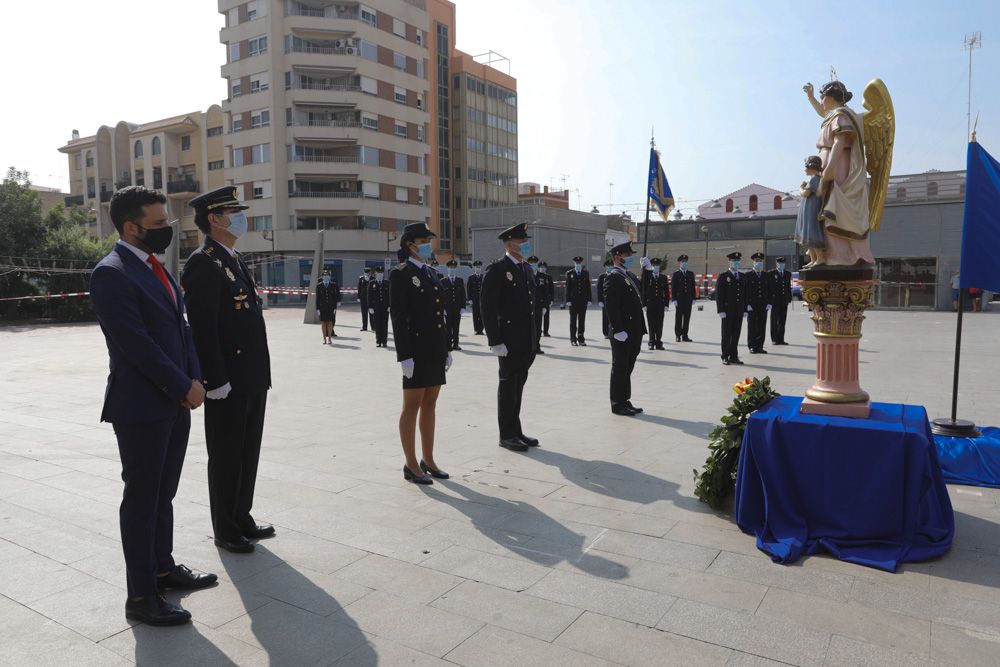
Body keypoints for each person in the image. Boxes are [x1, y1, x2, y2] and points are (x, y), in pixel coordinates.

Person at [91, 186, 216, 626]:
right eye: (160, 224)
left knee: (164, 494)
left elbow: (181, 330)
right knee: (142, 500)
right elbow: (135, 345)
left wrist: (195, 377)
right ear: (132, 227)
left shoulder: (155, 267)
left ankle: (163, 568)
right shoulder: (112, 273)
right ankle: (141, 596)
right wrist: (182, 384)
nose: (167, 231)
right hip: (142, 406)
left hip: (175, 401)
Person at [182, 186, 274, 554]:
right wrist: (214, 379)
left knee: (248, 449)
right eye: (233, 211)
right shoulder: (202, 262)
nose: (240, 216)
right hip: (227, 381)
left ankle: (242, 515)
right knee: (226, 453)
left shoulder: (233, 258)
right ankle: (225, 526)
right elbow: (203, 327)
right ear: (214, 219)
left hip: (251, 375)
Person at [389, 223, 451, 484]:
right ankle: (411, 464)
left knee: (431, 403)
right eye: (424, 240)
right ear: (410, 244)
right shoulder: (400, 274)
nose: (428, 245)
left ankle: (428, 459)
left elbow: (440, 314)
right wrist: (404, 355)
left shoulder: (431, 273)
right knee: (411, 406)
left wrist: (446, 347)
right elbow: (399, 317)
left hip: (434, 349)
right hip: (415, 350)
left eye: (428, 240)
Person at [480, 223, 539, 452]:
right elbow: (487, 307)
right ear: (509, 243)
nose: (525, 245)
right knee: (507, 387)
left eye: (526, 241)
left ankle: (516, 430)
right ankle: (506, 434)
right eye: (521, 241)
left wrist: (535, 339)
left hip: (526, 341)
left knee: (518, 386)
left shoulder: (525, 269)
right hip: (508, 342)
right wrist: (495, 341)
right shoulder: (497, 269)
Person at [803, 80, 876, 266]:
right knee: (824, 207)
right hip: (828, 163)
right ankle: (828, 254)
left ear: (831, 97)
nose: (821, 101)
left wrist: (829, 169)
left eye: (822, 97)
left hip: (838, 165)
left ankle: (841, 255)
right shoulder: (833, 115)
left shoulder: (841, 116)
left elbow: (839, 142)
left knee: (834, 207)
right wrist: (810, 97)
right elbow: (821, 111)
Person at [605, 241, 647, 416]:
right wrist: (617, 329)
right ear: (617, 257)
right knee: (620, 366)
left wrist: (648, 271)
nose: (630, 258)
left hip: (635, 328)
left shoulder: (628, 275)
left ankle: (625, 399)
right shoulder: (613, 276)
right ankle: (617, 403)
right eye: (627, 255)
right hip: (623, 331)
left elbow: (644, 292)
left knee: (628, 366)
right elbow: (611, 305)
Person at [795, 156, 826, 268]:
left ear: (811, 167)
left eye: (805, 167)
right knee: (808, 235)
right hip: (809, 208)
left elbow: (805, 194)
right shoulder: (816, 178)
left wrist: (801, 188)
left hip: (811, 210)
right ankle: (813, 259)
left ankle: (820, 258)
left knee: (811, 233)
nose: (804, 170)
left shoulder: (814, 179)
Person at [716, 251, 746, 365]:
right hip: (727, 311)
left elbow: (745, 294)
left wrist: (745, 309)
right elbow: (719, 295)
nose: (736, 263)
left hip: (738, 310)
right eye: (734, 261)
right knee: (726, 334)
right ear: (729, 262)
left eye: (738, 261)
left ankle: (734, 356)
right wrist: (721, 310)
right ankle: (725, 356)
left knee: (736, 334)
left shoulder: (742, 276)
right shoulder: (723, 276)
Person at [745, 252, 771, 354]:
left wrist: (770, 303)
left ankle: (760, 346)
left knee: (761, 325)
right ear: (753, 262)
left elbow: (770, 290)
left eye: (760, 261)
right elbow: (745, 291)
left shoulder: (766, 275)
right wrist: (747, 304)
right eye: (757, 261)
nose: (759, 263)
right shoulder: (748, 275)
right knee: (752, 326)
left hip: (763, 305)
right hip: (752, 305)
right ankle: (752, 346)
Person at [642, 257, 670, 350]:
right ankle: (651, 342)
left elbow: (666, 292)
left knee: (659, 324)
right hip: (650, 304)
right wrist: (644, 304)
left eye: (657, 265)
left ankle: (659, 342)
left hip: (660, 304)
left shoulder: (663, 277)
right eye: (654, 265)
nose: (655, 267)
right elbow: (643, 291)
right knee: (651, 324)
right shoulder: (647, 276)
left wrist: (666, 304)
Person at [565, 255, 592, 346]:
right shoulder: (570, 273)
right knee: (573, 321)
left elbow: (588, 287)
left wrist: (589, 299)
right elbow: (567, 288)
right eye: (576, 263)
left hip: (583, 301)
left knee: (581, 320)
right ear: (574, 263)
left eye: (579, 263)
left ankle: (581, 338)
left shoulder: (585, 273)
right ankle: (573, 339)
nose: (578, 264)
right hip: (573, 301)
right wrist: (567, 299)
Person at [442, 259, 466, 351]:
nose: (452, 269)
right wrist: (442, 308)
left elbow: (463, 295)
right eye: (450, 268)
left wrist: (463, 307)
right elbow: (441, 296)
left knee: (456, 327)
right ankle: (448, 344)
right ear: (447, 269)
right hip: (447, 309)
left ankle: (456, 344)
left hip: (457, 309)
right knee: (448, 327)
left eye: (454, 268)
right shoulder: (443, 281)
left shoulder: (460, 280)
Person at [671, 254, 696, 342]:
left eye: (685, 261)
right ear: (679, 263)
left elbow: (693, 286)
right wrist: (674, 299)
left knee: (687, 318)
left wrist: (693, 298)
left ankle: (685, 335)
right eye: (683, 262)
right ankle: (678, 335)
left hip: (688, 299)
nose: (684, 263)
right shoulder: (676, 274)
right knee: (678, 318)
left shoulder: (690, 274)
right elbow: (673, 288)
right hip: (679, 300)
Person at [768, 257, 792, 345]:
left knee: (782, 320)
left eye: (783, 263)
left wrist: (789, 297)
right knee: (774, 320)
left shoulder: (787, 274)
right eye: (779, 263)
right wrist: (769, 300)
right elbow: (769, 288)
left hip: (784, 300)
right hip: (774, 300)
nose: (781, 264)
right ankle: (774, 339)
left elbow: (788, 287)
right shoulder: (771, 273)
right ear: (776, 263)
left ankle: (781, 339)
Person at [315, 269, 341, 343]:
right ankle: (324, 338)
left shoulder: (333, 285)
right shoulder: (319, 286)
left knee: (330, 322)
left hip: (331, 307)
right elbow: (318, 298)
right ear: (322, 277)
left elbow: (335, 296)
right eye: (324, 276)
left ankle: (329, 338)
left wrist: (336, 306)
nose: (326, 277)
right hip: (322, 307)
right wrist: (317, 308)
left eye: (327, 276)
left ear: (330, 277)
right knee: (323, 323)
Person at [368, 265, 391, 347]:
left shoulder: (387, 283)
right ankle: (378, 341)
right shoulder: (372, 283)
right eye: (378, 273)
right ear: (375, 273)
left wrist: (389, 305)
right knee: (377, 324)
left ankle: (384, 341)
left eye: (381, 273)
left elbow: (390, 295)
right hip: (376, 308)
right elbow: (369, 296)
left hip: (385, 308)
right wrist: (370, 307)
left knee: (385, 324)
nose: (380, 274)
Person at [536, 260, 555, 337]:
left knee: (546, 316)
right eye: (541, 267)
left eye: (543, 267)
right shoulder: (537, 276)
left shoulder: (548, 277)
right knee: (539, 317)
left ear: (546, 268)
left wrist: (552, 300)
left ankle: (546, 331)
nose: (542, 268)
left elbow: (552, 289)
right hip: (538, 300)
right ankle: (539, 330)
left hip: (547, 300)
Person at [467, 260, 485, 334]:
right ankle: (476, 329)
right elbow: (469, 289)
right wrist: (470, 299)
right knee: (475, 314)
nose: (478, 268)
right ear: (474, 268)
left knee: (482, 314)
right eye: (476, 267)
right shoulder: (471, 277)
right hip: (474, 299)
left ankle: (481, 329)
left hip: (482, 299)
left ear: (481, 268)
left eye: (479, 267)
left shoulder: (483, 277)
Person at [596, 260, 612, 339]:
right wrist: (600, 300)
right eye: (608, 266)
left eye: (611, 266)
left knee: (613, 316)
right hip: (605, 300)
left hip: (614, 300)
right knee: (605, 317)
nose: (609, 267)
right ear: (605, 267)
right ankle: (606, 333)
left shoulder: (615, 275)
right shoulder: (602, 276)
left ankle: (613, 332)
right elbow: (599, 289)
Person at [358, 267, 372, 332]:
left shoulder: (372, 279)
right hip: (363, 298)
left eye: (368, 272)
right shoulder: (361, 279)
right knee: (364, 313)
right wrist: (358, 297)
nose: (367, 273)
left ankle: (373, 326)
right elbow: (359, 288)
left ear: (370, 272)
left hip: (371, 298)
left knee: (372, 312)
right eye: (366, 272)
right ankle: (364, 327)